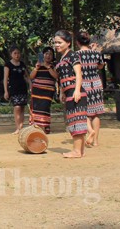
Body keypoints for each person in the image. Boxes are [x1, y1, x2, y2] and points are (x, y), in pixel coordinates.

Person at [54, 30, 87, 158]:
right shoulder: (62, 57)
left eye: (59, 42)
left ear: (68, 43)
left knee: (77, 121)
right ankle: (80, 151)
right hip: (68, 92)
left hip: (75, 92)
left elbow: (78, 74)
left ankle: (77, 151)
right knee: (74, 120)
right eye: (55, 43)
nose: (57, 45)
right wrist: (62, 91)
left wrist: (77, 90)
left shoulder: (72, 55)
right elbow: (61, 77)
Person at [77, 30, 105, 147]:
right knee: (96, 113)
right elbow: (100, 65)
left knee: (84, 112)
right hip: (96, 84)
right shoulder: (96, 54)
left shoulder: (76, 55)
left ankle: (90, 132)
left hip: (84, 84)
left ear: (77, 42)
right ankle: (96, 141)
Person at [29, 47, 58, 133]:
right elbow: (31, 76)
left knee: (45, 108)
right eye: (46, 54)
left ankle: (45, 125)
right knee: (36, 108)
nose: (48, 56)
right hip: (37, 91)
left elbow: (56, 76)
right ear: (43, 55)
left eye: (50, 54)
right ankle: (36, 126)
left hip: (48, 92)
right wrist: (36, 68)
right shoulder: (38, 65)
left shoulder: (53, 66)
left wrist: (48, 67)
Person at [3, 46, 30, 134]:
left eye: (18, 53)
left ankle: (21, 127)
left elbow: (26, 76)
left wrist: (31, 84)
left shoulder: (22, 64)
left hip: (23, 88)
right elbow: (5, 78)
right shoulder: (8, 65)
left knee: (22, 107)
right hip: (14, 89)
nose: (17, 55)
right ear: (11, 54)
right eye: (15, 53)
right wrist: (6, 91)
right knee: (17, 107)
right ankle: (17, 127)